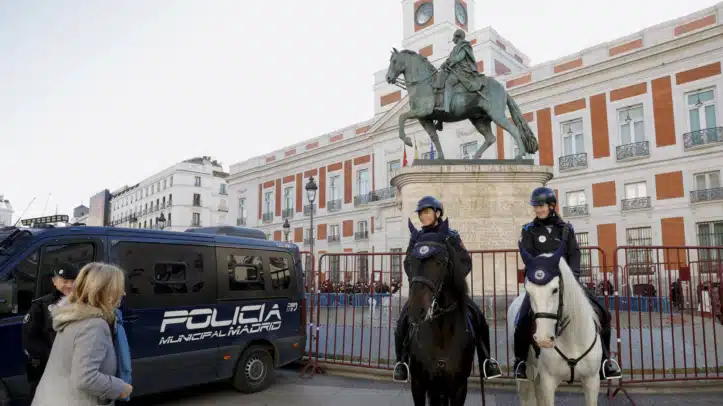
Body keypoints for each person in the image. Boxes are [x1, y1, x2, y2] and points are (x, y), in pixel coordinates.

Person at [512, 187, 622, 381]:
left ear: (551, 206)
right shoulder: (528, 230)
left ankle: (605, 362)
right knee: (523, 318)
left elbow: (574, 253)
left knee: (602, 313)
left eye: (542, 206)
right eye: (536, 206)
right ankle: (520, 361)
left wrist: (574, 277)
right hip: (542, 285)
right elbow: (529, 257)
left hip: (568, 283)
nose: (539, 210)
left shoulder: (565, 229)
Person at [393, 196, 501, 382]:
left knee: (479, 317)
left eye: (427, 212)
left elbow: (465, 261)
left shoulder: (451, 235)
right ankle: (401, 362)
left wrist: (450, 281)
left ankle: (486, 360)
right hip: (424, 291)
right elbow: (408, 262)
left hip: (449, 292)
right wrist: (417, 282)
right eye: (421, 213)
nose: (423, 216)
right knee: (403, 320)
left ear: (437, 213)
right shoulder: (416, 238)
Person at [31, 262, 133, 406]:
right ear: (104, 291)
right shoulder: (93, 325)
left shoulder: (75, 317)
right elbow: (86, 378)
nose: (123, 293)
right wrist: (121, 388)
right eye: (118, 288)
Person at [22, 264, 79, 400]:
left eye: (73, 281)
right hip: (49, 369)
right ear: (55, 282)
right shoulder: (41, 305)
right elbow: (30, 341)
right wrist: (54, 355)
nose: (69, 285)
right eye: (64, 281)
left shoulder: (86, 303)